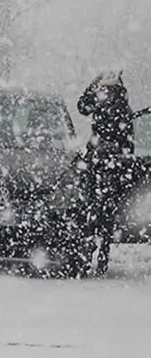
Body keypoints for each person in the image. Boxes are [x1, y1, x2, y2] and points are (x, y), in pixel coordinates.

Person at [77, 70, 134, 277]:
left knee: (95, 211)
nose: (105, 93)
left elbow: (83, 106)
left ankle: (92, 254)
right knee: (101, 212)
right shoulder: (121, 109)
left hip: (103, 166)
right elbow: (83, 107)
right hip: (105, 166)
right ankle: (98, 254)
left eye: (107, 89)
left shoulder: (113, 108)